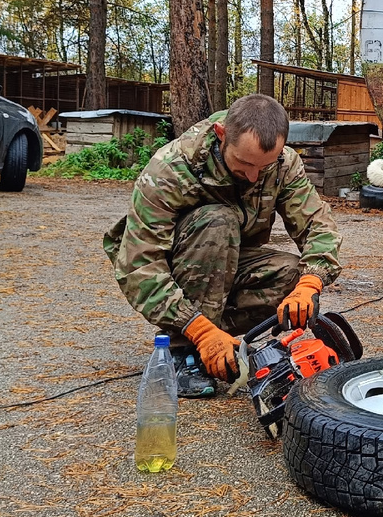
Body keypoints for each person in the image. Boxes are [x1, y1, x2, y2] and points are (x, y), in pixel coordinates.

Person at [104, 94, 342, 397]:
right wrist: (199, 330)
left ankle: (220, 343)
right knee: (218, 220)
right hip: (177, 267)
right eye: (244, 163)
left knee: (294, 275)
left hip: (229, 264)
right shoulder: (170, 170)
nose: (254, 176)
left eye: (264, 166)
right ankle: (184, 349)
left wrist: (310, 284)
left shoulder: (284, 163)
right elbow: (140, 265)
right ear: (221, 135)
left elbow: (317, 225)